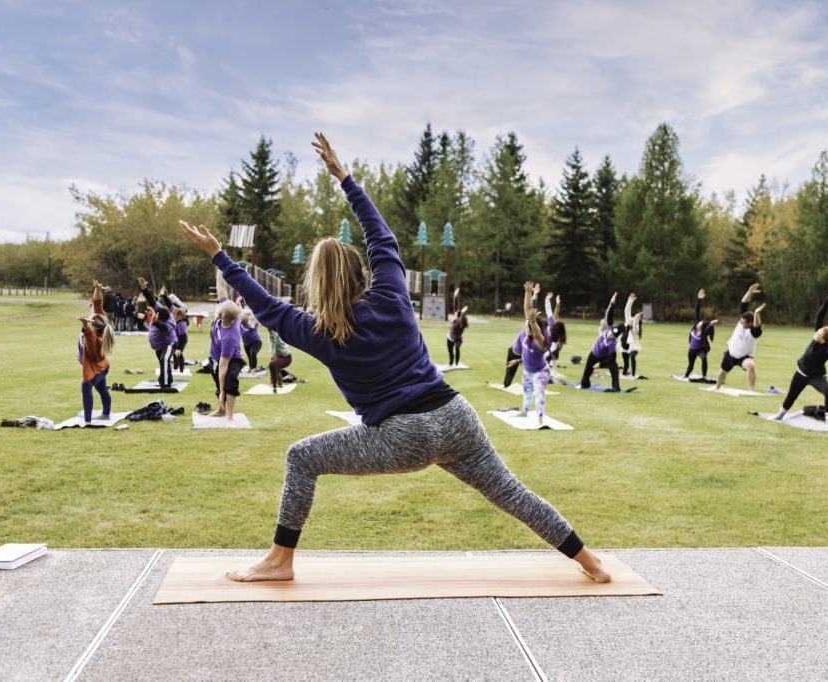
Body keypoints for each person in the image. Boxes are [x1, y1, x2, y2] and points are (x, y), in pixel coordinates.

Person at [179, 132, 611, 584]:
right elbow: (381, 236)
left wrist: (220, 257)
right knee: (511, 493)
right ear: (363, 271)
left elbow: (266, 306)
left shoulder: (319, 331)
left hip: (402, 435)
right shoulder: (391, 293)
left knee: (301, 457)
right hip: (456, 416)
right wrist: (344, 178)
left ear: (317, 286)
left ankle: (279, 560)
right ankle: (590, 562)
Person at [773, 289, 828, 427]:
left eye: (819, 332)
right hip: (801, 373)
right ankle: (780, 415)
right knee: (791, 395)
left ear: (823, 340)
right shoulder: (816, 339)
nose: (817, 331)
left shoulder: (825, 350)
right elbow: (820, 317)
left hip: (817, 377)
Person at [77, 280, 115, 424]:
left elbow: (90, 337)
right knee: (101, 388)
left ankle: (87, 422)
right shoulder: (100, 320)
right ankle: (106, 414)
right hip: (102, 367)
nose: (90, 314)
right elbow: (97, 302)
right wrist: (98, 289)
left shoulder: (94, 339)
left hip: (94, 369)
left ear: (93, 327)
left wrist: (85, 326)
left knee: (86, 386)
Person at [715, 283, 765, 391]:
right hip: (731, 353)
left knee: (751, 366)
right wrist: (749, 292)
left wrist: (756, 313)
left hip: (744, 358)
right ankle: (717, 387)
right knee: (722, 372)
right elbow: (744, 303)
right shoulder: (743, 320)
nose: (740, 323)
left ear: (750, 323)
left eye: (743, 323)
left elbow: (757, 326)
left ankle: (751, 390)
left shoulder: (754, 333)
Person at [518, 281, 552, 426]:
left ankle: (540, 417)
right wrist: (528, 292)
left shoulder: (541, 342)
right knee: (526, 391)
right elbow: (528, 309)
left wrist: (532, 322)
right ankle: (525, 411)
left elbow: (537, 334)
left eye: (530, 326)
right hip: (528, 369)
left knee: (538, 392)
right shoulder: (528, 329)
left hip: (540, 371)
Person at [579, 292, 627, 391]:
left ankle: (616, 387)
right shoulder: (610, 327)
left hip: (605, 357)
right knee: (588, 369)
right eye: (611, 333)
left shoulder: (612, 344)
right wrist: (612, 303)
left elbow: (612, 359)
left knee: (614, 368)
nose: (610, 335)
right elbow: (609, 313)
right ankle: (585, 384)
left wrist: (601, 365)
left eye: (612, 336)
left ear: (615, 337)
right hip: (595, 352)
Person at [138, 278, 177, 388]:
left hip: (169, 344)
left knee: (164, 359)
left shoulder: (170, 322)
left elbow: (164, 329)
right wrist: (144, 289)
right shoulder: (160, 309)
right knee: (162, 362)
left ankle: (164, 384)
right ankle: (168, 379)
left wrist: (156, 322)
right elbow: (151, 301)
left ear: (162, 318)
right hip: (158, 344)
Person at [215, 299, 245, 425]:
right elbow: (221, 288)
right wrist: (221, 277)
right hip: (218, 356)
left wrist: (223, 391)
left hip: (234, 358)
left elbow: (224, 366)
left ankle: (230, 416)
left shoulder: (230, 336)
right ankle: (220, 410)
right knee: (218, 380)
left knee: (230, 381)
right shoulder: (222, 316)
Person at [683, 289, 718, 379]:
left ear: (702, 327)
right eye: (699, 323)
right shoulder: (696, 325)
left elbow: (709, 327)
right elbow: (697, 310)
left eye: (700, 324)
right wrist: (699, 299)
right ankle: (686, 375)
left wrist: (711, 324)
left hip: (701, 349)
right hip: (692, 349)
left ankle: (704, 376)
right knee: (691, 364)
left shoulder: (704, 333)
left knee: (704, 358)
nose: (698, 323)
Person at [621, 293, 643, 377]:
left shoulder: (636, 327)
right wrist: (630, 300)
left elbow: (635, 329)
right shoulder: (628, 321)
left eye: (632, 319)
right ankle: (625, 372)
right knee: (626, 363)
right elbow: (626, 310)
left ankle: (633, 375)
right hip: (625, 346)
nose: (629, 320)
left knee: (632, 357)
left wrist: (636, 319)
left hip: (633, 347)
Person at [545, 292, 566, 376]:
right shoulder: (552, 321)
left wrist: (548, 300)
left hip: (552, 343)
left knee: (553, 354)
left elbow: (551, 311)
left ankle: (553, 371)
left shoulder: (553, 322)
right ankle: (550, 370)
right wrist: (548, 300)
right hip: (549, 342)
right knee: (550, 355)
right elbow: (550, 311)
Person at [446, 288, 469, 366]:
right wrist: (455, 296)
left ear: (459, 316)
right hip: (450, 337)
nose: (454, 315)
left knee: (456, 348)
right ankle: (451, 363)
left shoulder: (461, 323)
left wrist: (462, 312)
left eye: (456, 315)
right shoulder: (456, 319)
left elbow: (462, 318)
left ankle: (456, 363)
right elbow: (455, 306)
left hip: (457, 339)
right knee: (450, 351)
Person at [267, 328, 293, 392]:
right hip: (278, 356)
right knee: (274, 364)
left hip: (286, 357)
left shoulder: (276, 333)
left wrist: (272, 332)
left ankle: (274, 387)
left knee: (272, 364)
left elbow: (276, 341)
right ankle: (279, 384)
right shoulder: (272, 333)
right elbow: (273, 345)